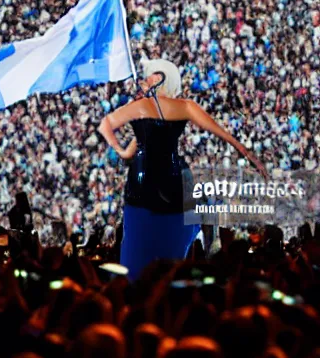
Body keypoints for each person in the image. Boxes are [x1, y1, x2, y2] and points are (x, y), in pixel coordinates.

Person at [98, 59, 268, 281]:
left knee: (142, 247)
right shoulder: (182, 107)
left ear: (160, 79)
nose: (143, 81)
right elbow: (222, 134)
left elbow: (109, 130)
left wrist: (120, 151)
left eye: (148, 76)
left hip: (142, 186)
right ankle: (210, 246)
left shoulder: (139, 109)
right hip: (170, 180)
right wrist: (249, 156)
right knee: (198, 211)